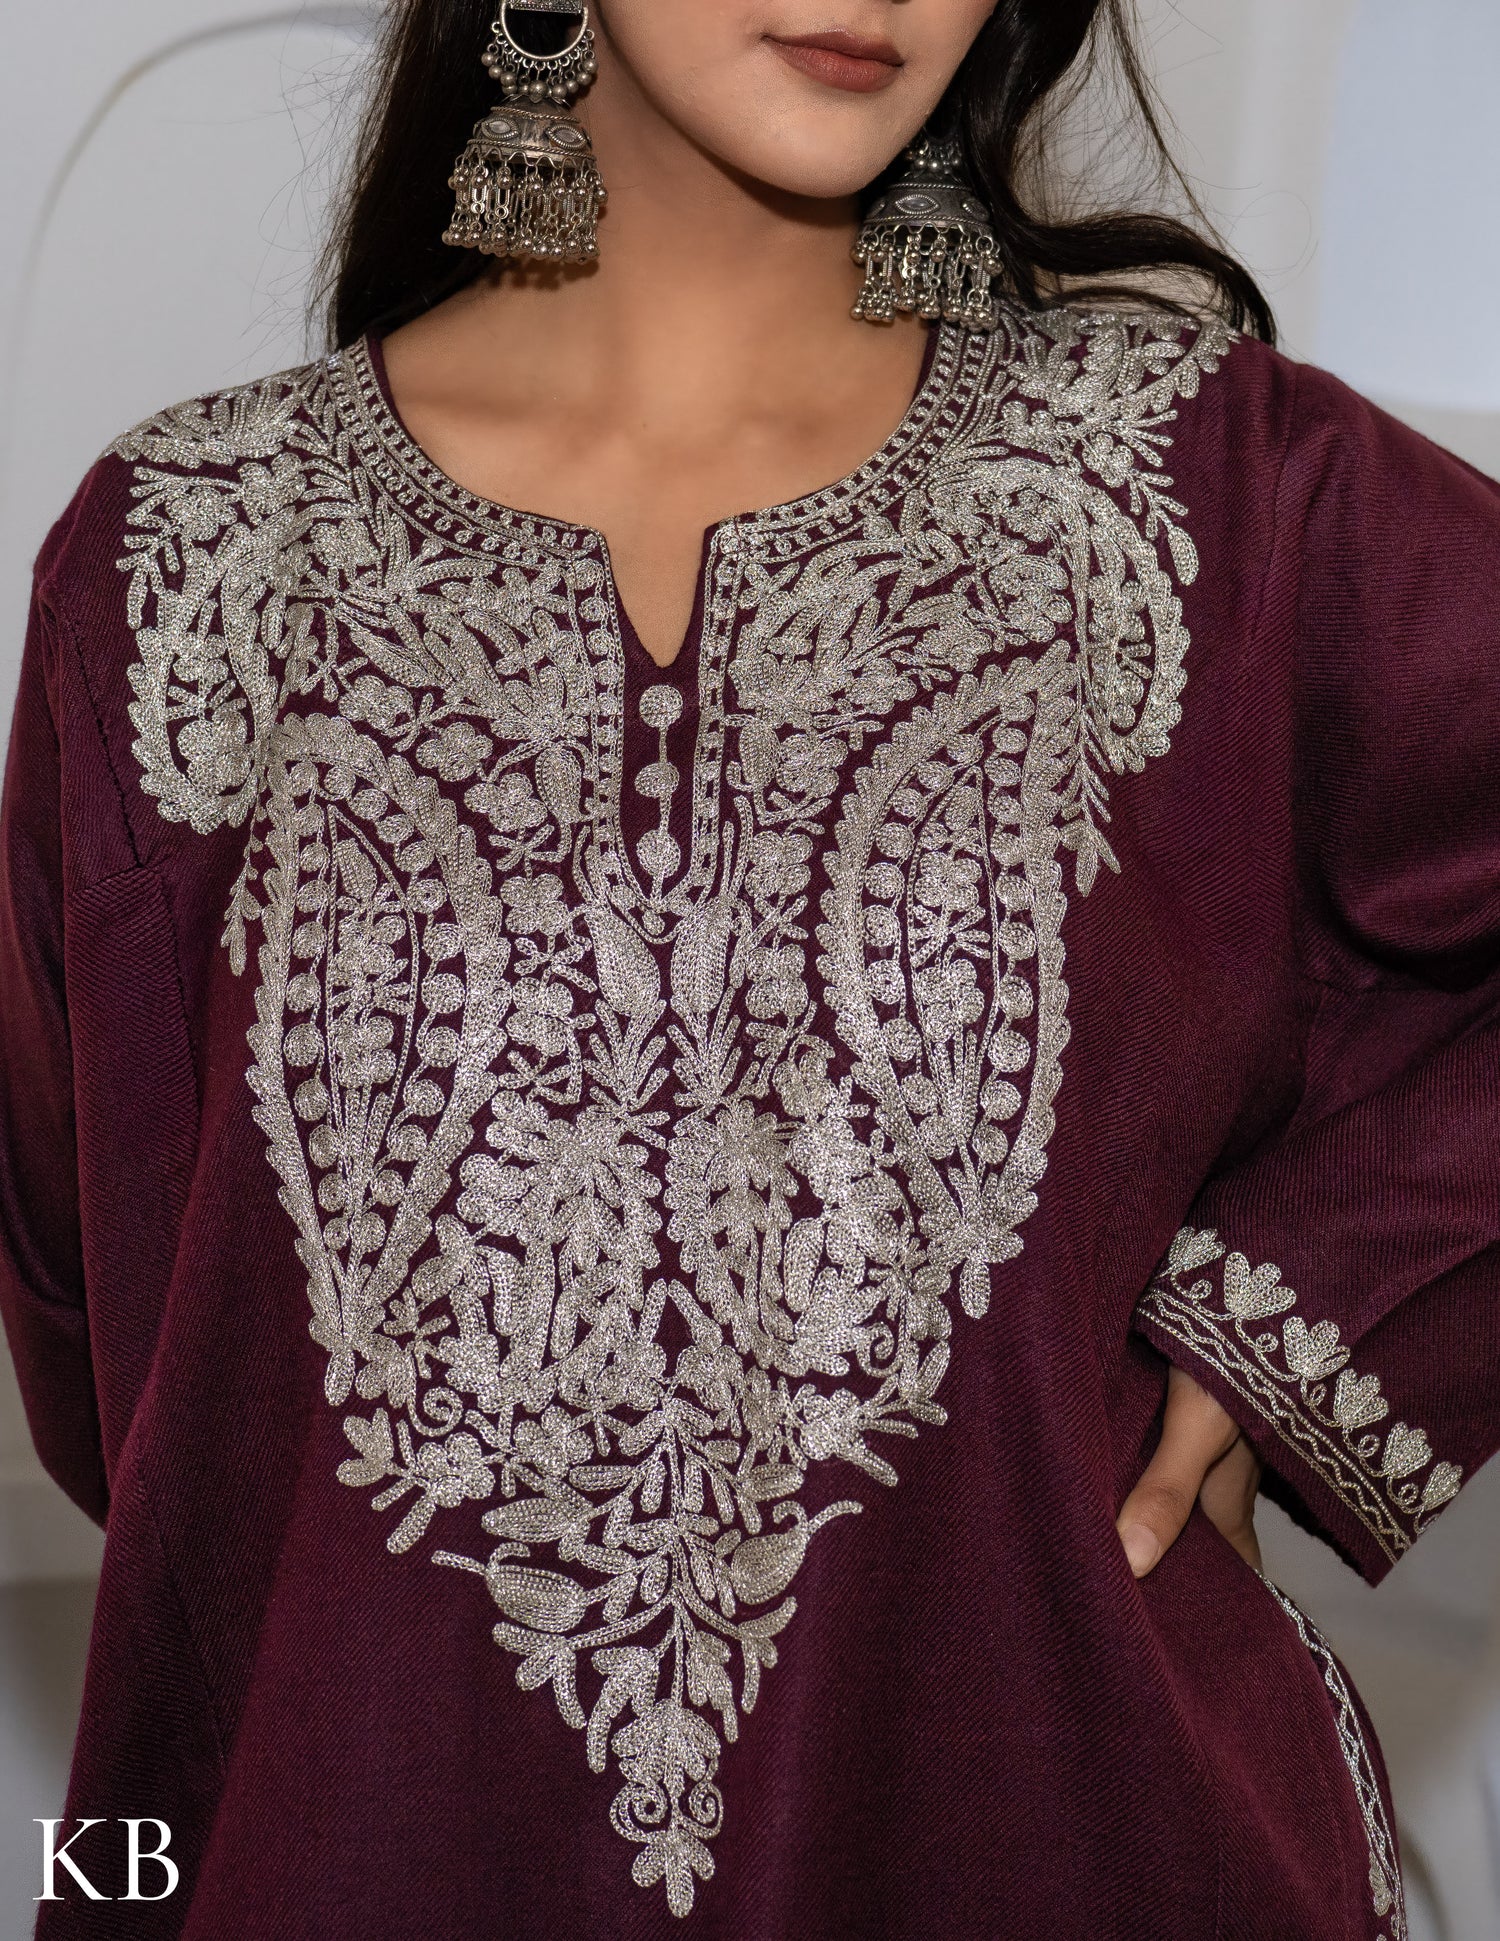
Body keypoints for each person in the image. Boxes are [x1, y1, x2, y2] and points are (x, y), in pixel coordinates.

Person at [1, 0, 1495, 1934]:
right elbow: (127, 1364)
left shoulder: (1223, 497)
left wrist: (1293, 1327)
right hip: (357, 1839)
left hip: (1068, 1838)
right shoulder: (189, 558)